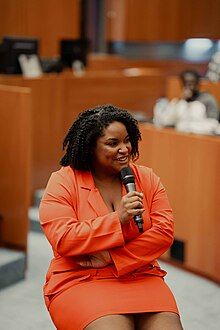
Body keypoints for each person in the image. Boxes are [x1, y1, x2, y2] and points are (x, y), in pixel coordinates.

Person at [39, 104, 183, 330]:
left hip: (141, 274)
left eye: (127, 140)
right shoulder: (63, 182)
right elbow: (64, 238)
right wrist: (118, 218)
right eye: (112, 143)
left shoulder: (146, 178)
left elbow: (163, 233)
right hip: (81, 278)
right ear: (90, 148)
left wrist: (111, 257)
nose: (124, 148)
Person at [153, 70, 219, 133]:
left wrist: (187, 126)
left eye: (192, 83)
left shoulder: (207, 99)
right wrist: (180, 100)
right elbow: (165, 121)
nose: (189, 87)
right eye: (186, 83)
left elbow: (214, 124)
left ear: (198, 83)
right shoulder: (180, 101)